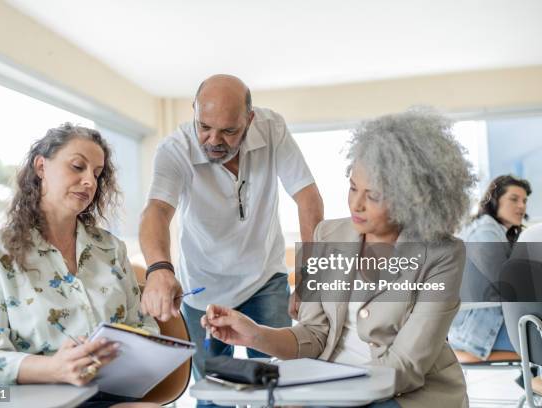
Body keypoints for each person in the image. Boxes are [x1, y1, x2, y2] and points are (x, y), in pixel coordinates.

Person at [201, 110, 475, 408]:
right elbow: (314, 335)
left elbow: (406, 366)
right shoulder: (328, 235)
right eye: (353, 187)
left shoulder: (442, 255)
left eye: (373, 196)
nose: (356, 204)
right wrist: (255, 335)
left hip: (406, 395)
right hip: (329, 382)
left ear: (413, 199)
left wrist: (324, 397)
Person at [139, 74, 323, 404]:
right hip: (202, 288)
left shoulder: (271, 128)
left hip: (264, 279)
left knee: (276, 387)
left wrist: (311, 277)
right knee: (213, 394)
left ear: (249, 119)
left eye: (228, 131)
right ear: (194, 111)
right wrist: (159, 269)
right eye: (204, 126)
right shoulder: (175, 150)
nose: (213, 140)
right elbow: (156, 211)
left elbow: (308, 198)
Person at [0, 124, 159, 408]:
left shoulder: (111, 248)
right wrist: (56, 367)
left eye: (97, 173)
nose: (89, 181)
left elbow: (143, 326)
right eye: (78, 166)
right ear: (41, 167)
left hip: (112, 391)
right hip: (39, 400)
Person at [449, 175, 532, 361]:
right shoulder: (484, 231)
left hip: (488, 324)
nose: (521, 206)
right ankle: (535, 380)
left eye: (524, 201)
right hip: (477, 332)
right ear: (494, 200)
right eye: (514, 199)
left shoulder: (497, 231)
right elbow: (506, 283)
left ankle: (533, 380)